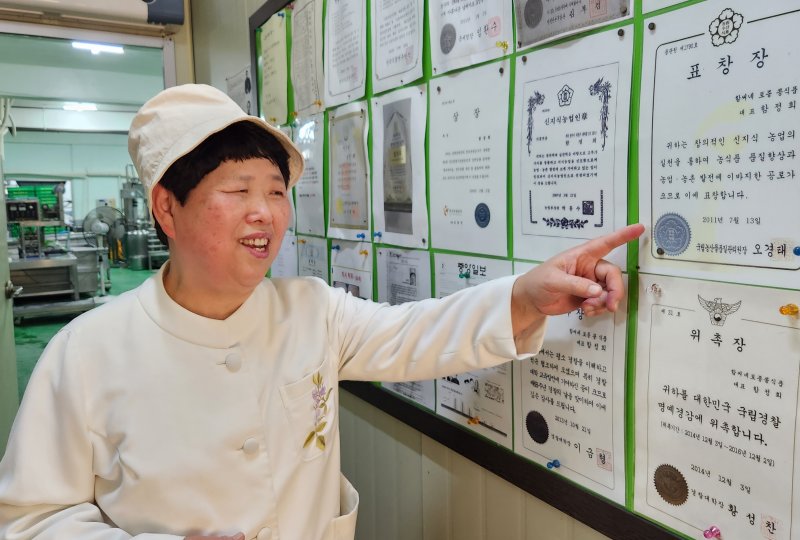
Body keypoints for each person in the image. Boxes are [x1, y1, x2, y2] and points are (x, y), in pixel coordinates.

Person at [0, 84, 644, 540]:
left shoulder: (310, 310)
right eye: (238, 191)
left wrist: (527, 294)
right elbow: (30, 518)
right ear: (167, 208)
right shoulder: (86, 351)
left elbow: (417, 332)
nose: (265, 212)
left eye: (276, 191)